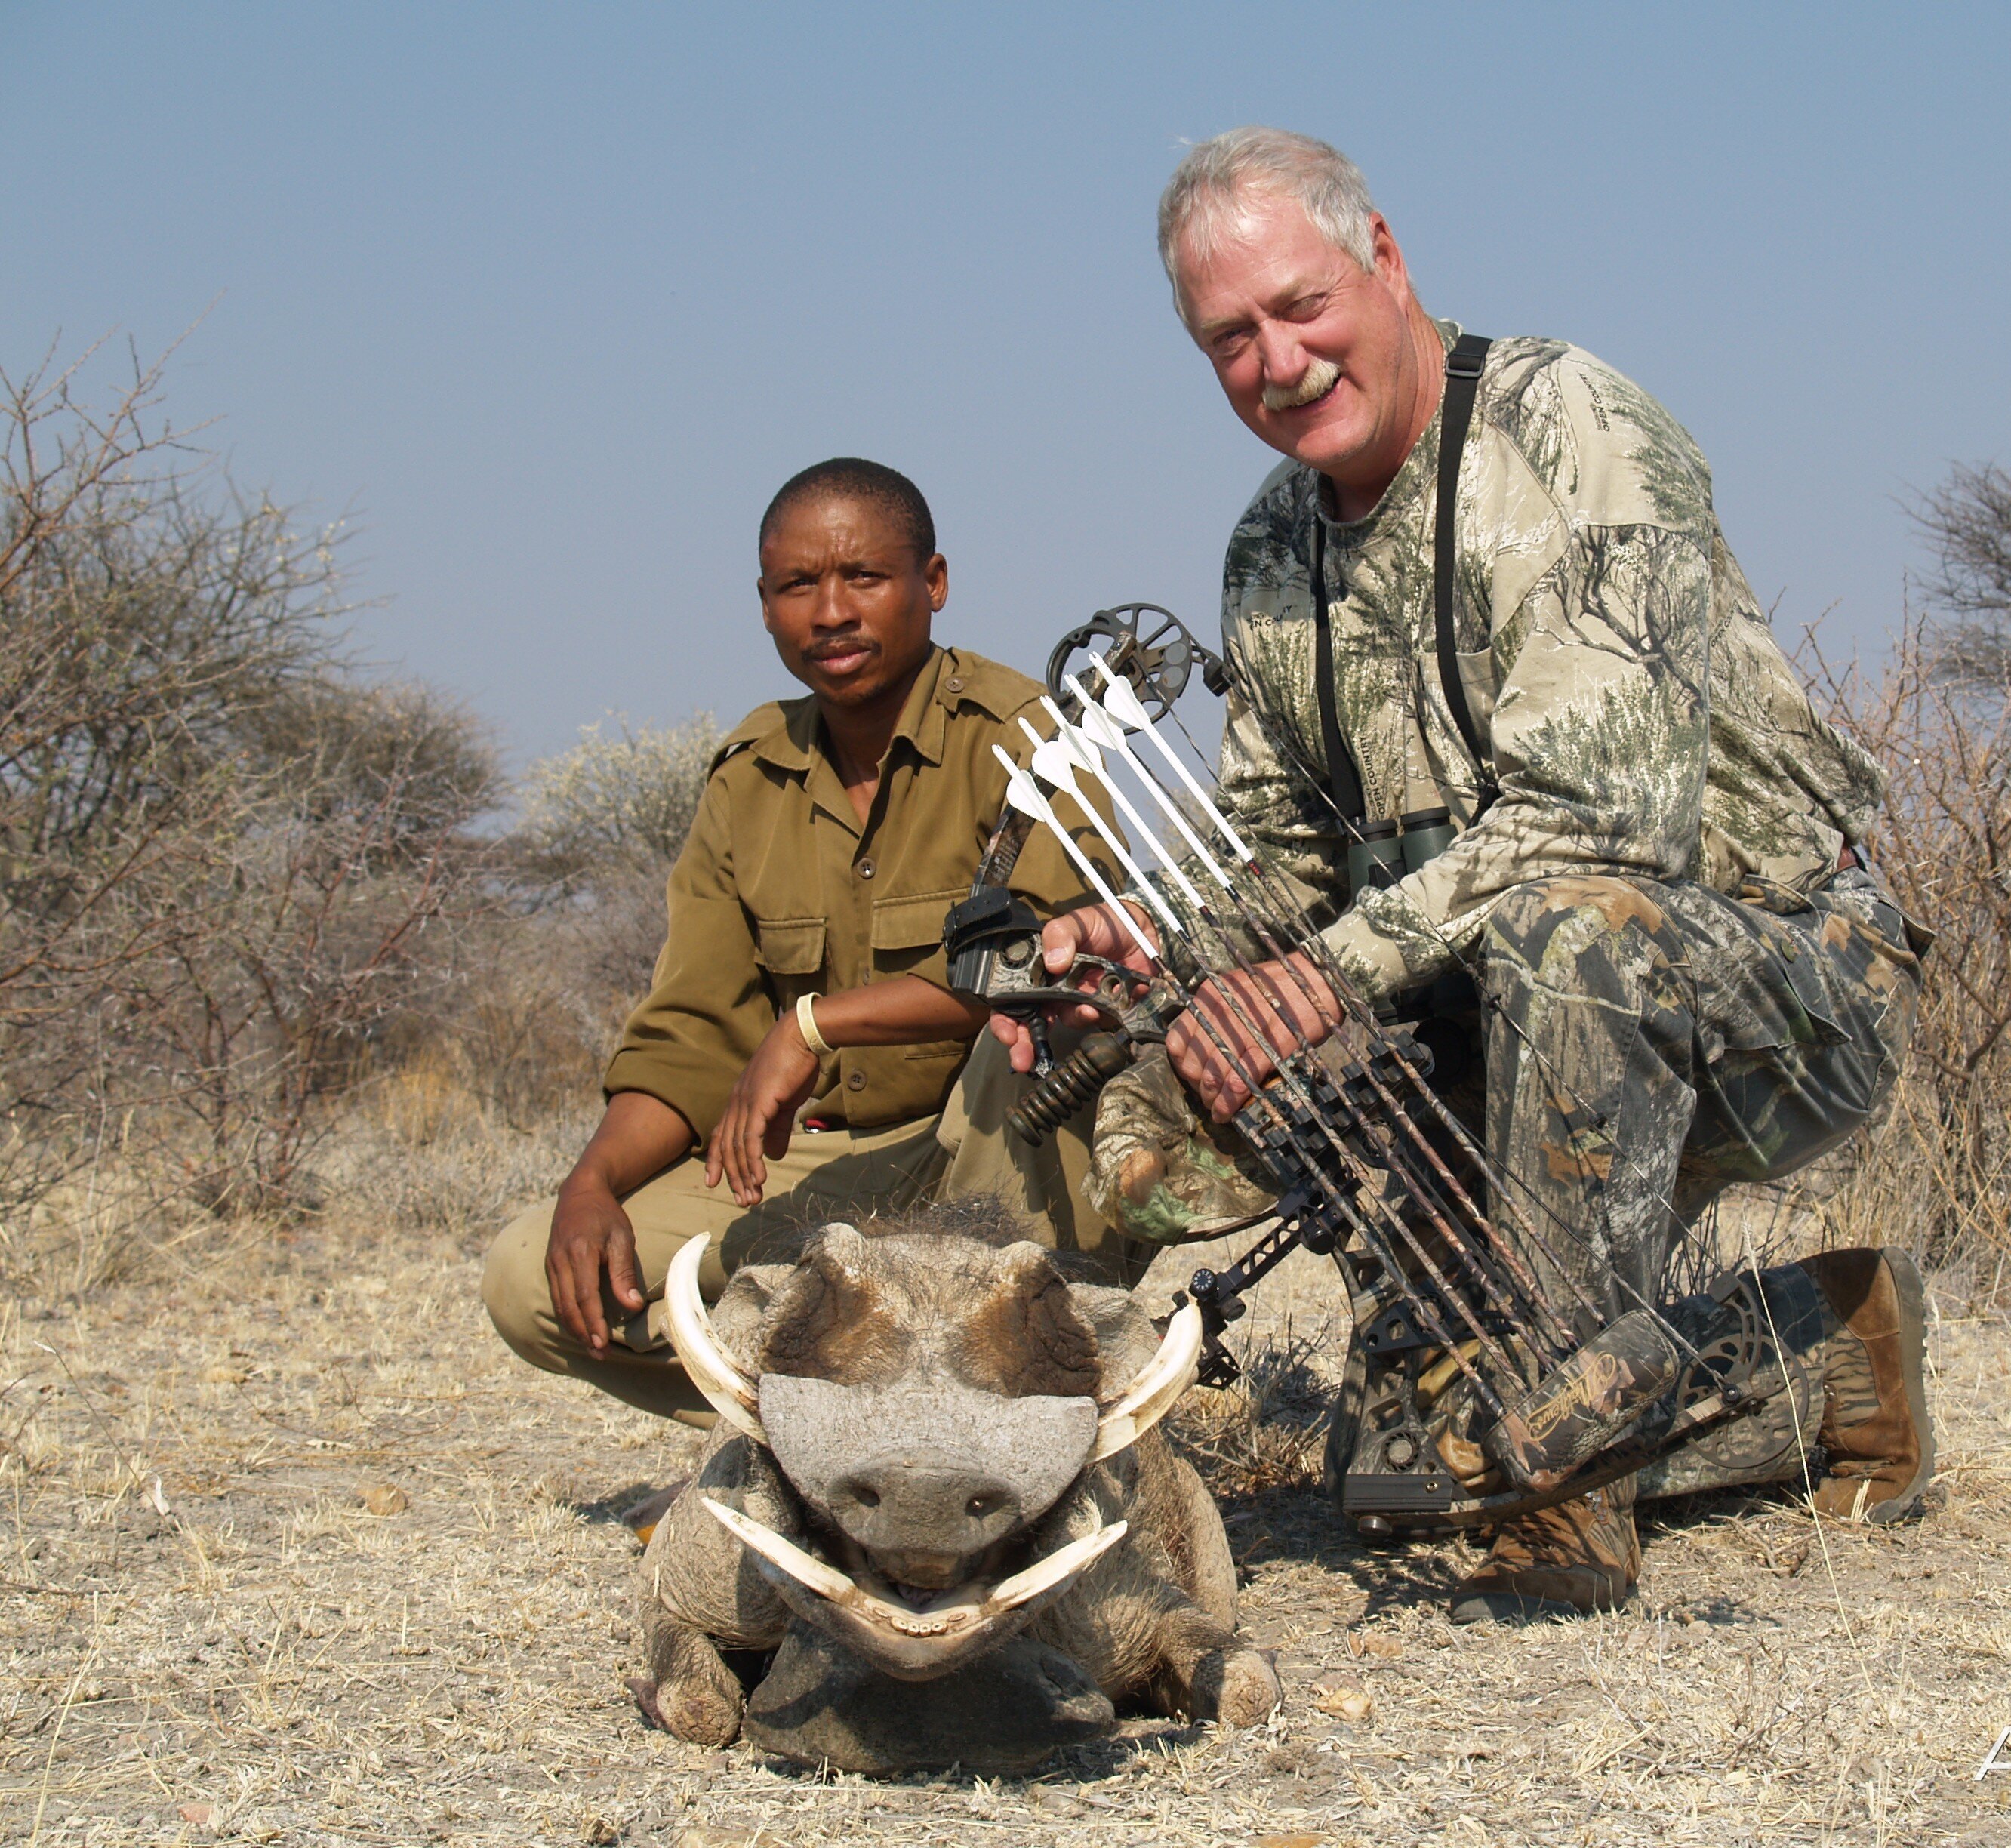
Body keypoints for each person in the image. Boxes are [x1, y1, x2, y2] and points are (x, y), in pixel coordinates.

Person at [1002, 129, 1937, 1623]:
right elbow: (1288, 852)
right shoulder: (1270, 547)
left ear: (1385, 257)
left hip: (1777, 992)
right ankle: (1822, 1349)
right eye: (1229, 339)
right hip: (1482, 1013)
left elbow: (1604, 819)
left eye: (1301, 305)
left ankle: (1568, 1498)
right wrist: (1162, 946)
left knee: (1575, 935)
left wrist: (1312, 980)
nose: (1280, 361)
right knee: (1397, 1461)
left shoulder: (1574, 427)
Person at [484, 457, 1129, 1431]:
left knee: (1035, 1042)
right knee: (530, 1283)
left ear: (935, 583)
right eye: (798, 586)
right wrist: (592, 1184)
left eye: (864, 578)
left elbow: (1052, 968)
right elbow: (691, 1038)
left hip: (987, 1153)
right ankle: (828, 1448)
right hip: (822, 1166)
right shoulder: (747, 778)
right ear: (764, 604)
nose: (831, 612)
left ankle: (1013, 1417)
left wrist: (814, 1028)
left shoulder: (1030, 741)